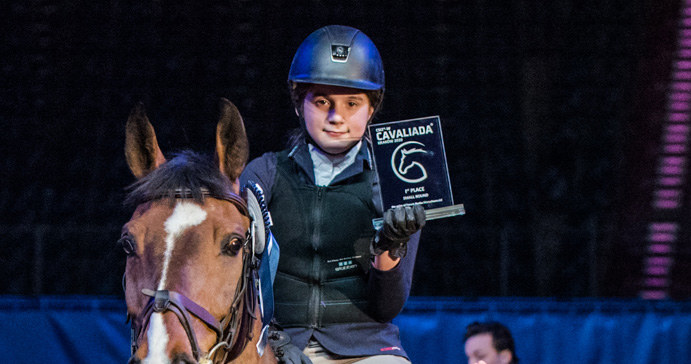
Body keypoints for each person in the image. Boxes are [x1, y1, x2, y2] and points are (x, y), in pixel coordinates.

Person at [239, 25, 426, 363]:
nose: (336, 117)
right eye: (322, 101)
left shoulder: (394, 183)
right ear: (299, 104)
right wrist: (274, 339)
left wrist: (389, 246)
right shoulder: (263, 174)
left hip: (367, 348)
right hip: (276, 344)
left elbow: (388, 307)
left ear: (372, 109)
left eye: (352, 103)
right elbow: (239, 277)